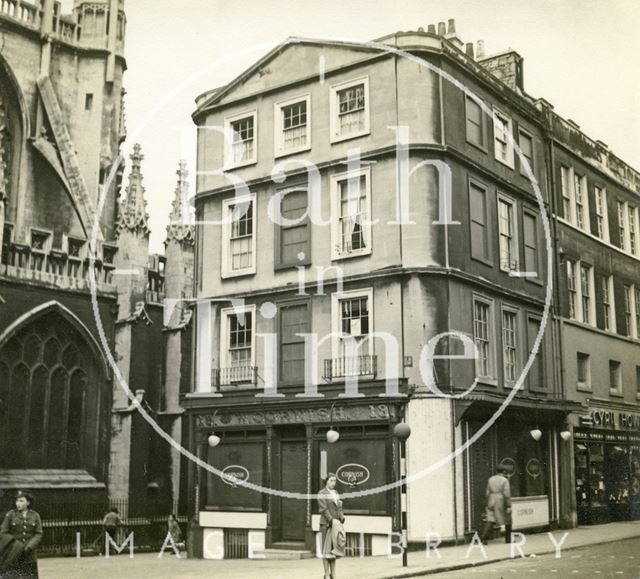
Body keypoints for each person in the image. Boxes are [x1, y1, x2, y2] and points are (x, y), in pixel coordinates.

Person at [0, 490, 43, 579]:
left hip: (29, 554)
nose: (18, 503)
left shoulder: (35, 516)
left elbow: (38, 533)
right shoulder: (10, 515)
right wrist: (16, 545)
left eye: (21, 501)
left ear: (28, 502)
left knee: (29, 576)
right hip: (14, 553)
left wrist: (29, 546)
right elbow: (3, 532)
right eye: (17, 501)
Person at [317, 473, 346, 579]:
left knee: (334, 551)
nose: (333, 483)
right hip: (326, 525)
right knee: (326, 551)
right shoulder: (321, 493)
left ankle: (333, 573)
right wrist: (331, 521)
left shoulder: (336, 493)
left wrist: (341, 517)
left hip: (336, 525)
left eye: (335, 481)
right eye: (331, 481)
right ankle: (326, 574)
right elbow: (323, 509)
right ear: (326, 481)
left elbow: (339, 507)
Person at [479, 464, 512, 544]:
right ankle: (508, 540)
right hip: (501, 500)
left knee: (490, 519)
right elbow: (507, 494)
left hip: (491, 499)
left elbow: (487, 492)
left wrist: (488, 502)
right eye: (505, 472)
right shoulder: (504, 480)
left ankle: (483, 537)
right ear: (503, 471)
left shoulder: (490, 479)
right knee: (508, 520)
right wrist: (508, 505)